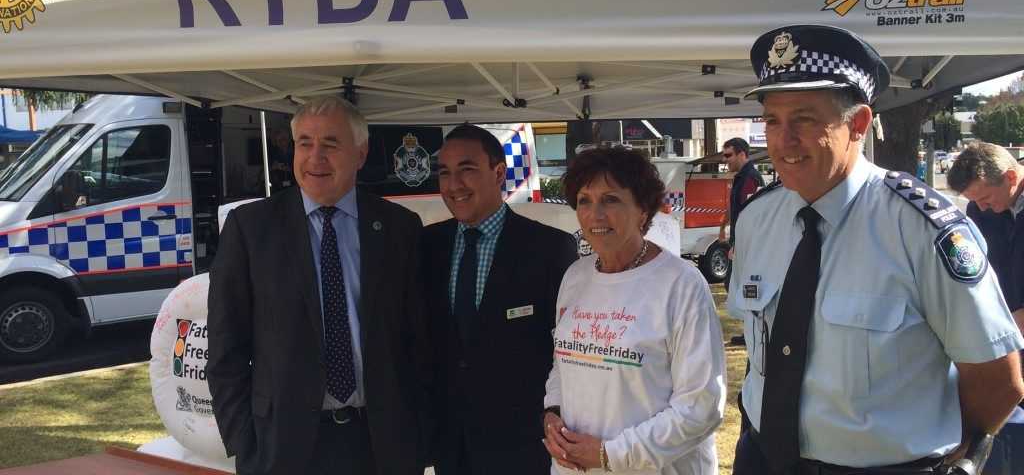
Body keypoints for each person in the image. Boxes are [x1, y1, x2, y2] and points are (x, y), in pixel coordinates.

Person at [728, 25, 1024, 475]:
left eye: (804, 119)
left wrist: (946, 452)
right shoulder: (756, 220)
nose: (783, 140)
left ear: (858, 124)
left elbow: (997, 377)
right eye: (772, 120)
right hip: (765, 458)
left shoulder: (923, 228)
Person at [207, 96, 432, 475]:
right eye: (305, 143)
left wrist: (420, 433)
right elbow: (226, 349)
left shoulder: (399, 228)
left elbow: (420, 342)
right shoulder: (250, 229)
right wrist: (245, 443)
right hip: (284, 447)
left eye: (330, 144)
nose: (315, 157)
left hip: (383, 443)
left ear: (360, 154)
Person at [542, 146, 726, 475]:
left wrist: (610, 455)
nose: (595, 214)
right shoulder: (575, 277)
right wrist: (552, 412)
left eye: (610, 199)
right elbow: (563, 362)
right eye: (584, 200)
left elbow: (702, 406)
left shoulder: (680, 284)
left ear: (643, 210)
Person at [421, 124, 578, 475]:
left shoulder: (550, 249)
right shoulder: (426, 246)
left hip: (524, 445)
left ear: (498, 173)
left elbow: (567, 352)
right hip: (451, 444)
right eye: (445, 173)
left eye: (467, 170)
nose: (454, 185)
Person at [947, 141, 1024, 333]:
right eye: (974, 201)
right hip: (1007, 327)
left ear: (1011, 177)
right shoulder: (979, 210)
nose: (981, 208)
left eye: (985, 199)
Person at [718, 137, 765, 261]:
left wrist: (741, 244)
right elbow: (733, 205)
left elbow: (750, 214)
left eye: (728, 155)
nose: (724, 159)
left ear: (742, 155)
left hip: (746, 245)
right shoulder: (741, 177)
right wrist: (723, 227)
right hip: (740, 243)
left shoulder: (750, 178)